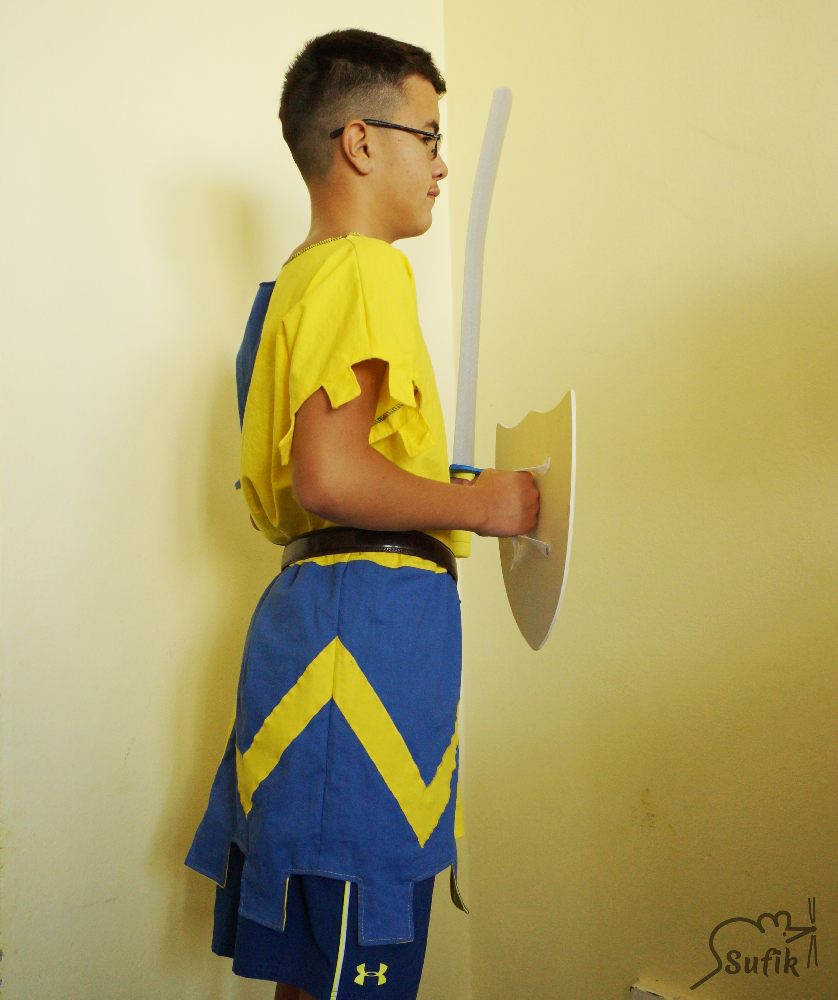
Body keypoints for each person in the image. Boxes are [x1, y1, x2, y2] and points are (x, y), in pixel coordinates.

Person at [184, 28, 538, 1000]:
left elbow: (331, 470)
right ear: (360, 141)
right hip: (360, 654)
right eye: (429, 136)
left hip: (323, 633)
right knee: (357, 968)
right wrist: (486, 504)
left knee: (318, 973)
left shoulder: (292, 288)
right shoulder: (364, 270)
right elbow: (333, 478)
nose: (441, 164)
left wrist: (446, 481)